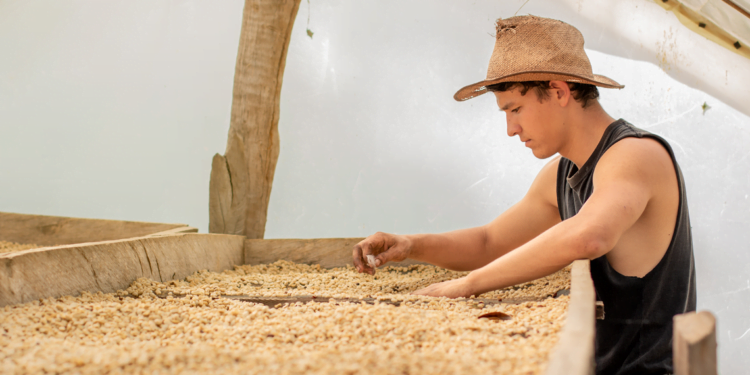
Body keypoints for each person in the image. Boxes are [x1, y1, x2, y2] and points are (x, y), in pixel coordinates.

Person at [351, 15, 696, 375]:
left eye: (515, 109)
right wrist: (410, 245)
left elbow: (589, 236)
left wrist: (467, 286)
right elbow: (488, 242)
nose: (511, 129)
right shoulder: (561, 175)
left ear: (559, 92)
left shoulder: (635, 155)